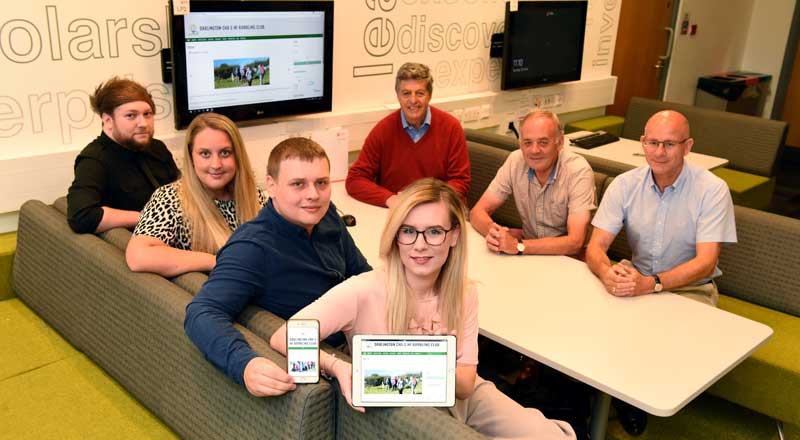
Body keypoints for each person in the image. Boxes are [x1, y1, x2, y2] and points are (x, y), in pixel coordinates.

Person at [271, 178, 575, 439]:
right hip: (404, 405)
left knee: (550, 435)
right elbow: (284, 337)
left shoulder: (464, 291)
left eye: (433, 232)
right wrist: (339, 367)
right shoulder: (363, 289)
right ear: (396, 235)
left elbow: (466, 385)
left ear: (454, 235)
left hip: (461, 399)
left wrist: (396, 365)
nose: (419, 245)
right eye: (408, 231)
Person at [585, 110, 736, 436]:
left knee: (664, 345)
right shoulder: (626, 185)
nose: (659, 152)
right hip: (637, 278)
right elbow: (595, 247)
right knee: (586, 321)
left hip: (691, 288)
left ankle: (632, 399)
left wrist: (651, 285)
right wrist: (605, 272)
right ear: (642, 143)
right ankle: (594, 394)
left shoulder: (712, 189)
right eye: (652, 143)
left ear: (688, 146)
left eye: (669, 144)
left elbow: (706, 262)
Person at [184, 137, 371, 397]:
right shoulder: (251, 248)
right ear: (271, 186)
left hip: (361, 335)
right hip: (332, 359)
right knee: (431, 381)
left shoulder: (327, 217)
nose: (313, 195)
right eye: (298, 184)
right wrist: (246, 364)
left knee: (443, 365)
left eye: (321, 183)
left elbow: (364, 277)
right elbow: (202, 313)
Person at [126, 113, 266, 277]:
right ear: (191, 157)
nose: (216, 164)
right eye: (205, 154)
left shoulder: (253, 195)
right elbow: (138, 256)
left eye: (225, 153)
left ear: (238, 156)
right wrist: (216, 261)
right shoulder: (170, 198)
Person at [470, 110, 595, 256]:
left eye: (543, 142)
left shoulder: (578, 171)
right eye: (528, 143)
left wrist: (520, 246)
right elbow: (477, 212)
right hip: (530, 253)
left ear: (560, 142)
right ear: (520, 144)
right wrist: (495, 234)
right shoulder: (515, 161)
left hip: (570, 259)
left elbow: (575, 243)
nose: (534, 150)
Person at [345, 62, 470, 208]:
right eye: (406, 93)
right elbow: (355, 179)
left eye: (420, 93)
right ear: (397, 95)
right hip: (398, 212)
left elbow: (460, 181)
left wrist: (430, 201)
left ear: (429, 95)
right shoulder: (383, 130)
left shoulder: (451, 128)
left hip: (439, 210)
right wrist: (390, 199)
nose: (413, 100)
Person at [67, 77, 180, 234]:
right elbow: (81, 216)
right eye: (131, 116)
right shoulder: (94, 160)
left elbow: (180, 192)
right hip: (143, 242)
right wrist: (146, 217)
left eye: (147, 114)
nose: (143, 124)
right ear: (108, 121)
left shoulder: (157, 147)